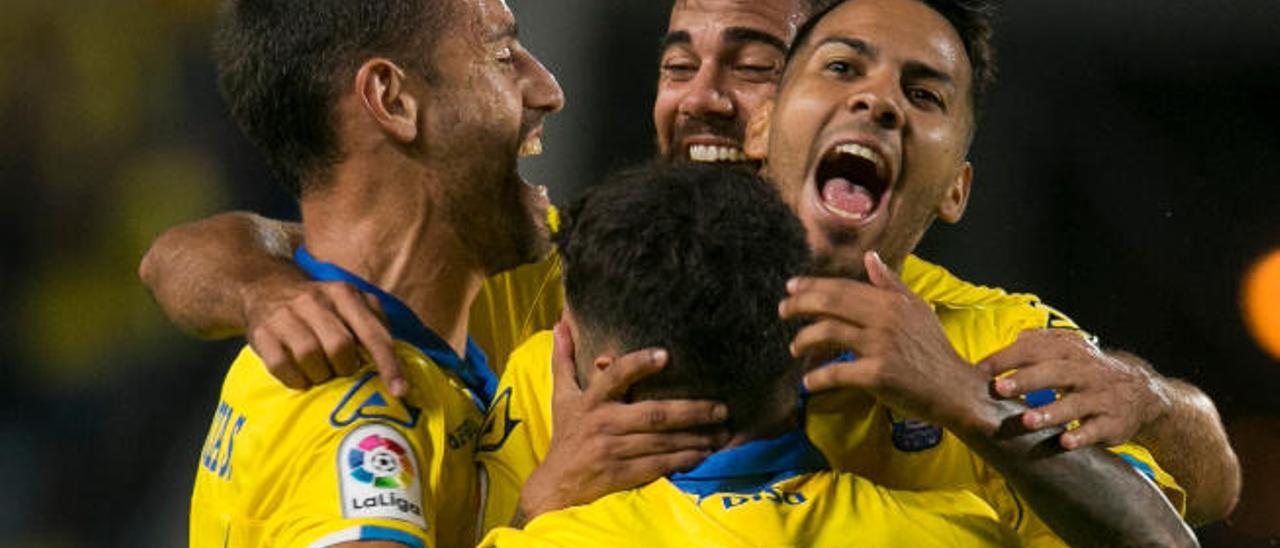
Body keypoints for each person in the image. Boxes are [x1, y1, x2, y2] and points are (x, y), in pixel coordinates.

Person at [142, 0, 1237, 536]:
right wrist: (256, 282)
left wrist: (1144, 394)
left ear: (956, 184)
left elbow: (1206, 484)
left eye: (750, 61)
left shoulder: (986, 343)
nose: (702, 93)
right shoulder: (582, 275)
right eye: (677, 60)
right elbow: (224, 249)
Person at [483, 161, 1193, 546]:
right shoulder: (963, 530)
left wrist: (535, 512)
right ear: (806, 356)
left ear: (606, 380)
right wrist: (973, 403)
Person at [186, 0, 570, 545]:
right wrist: (548, 511)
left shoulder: (432, 338)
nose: (549, 90)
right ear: (393, 99)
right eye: (504, 56)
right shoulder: (352, 414)